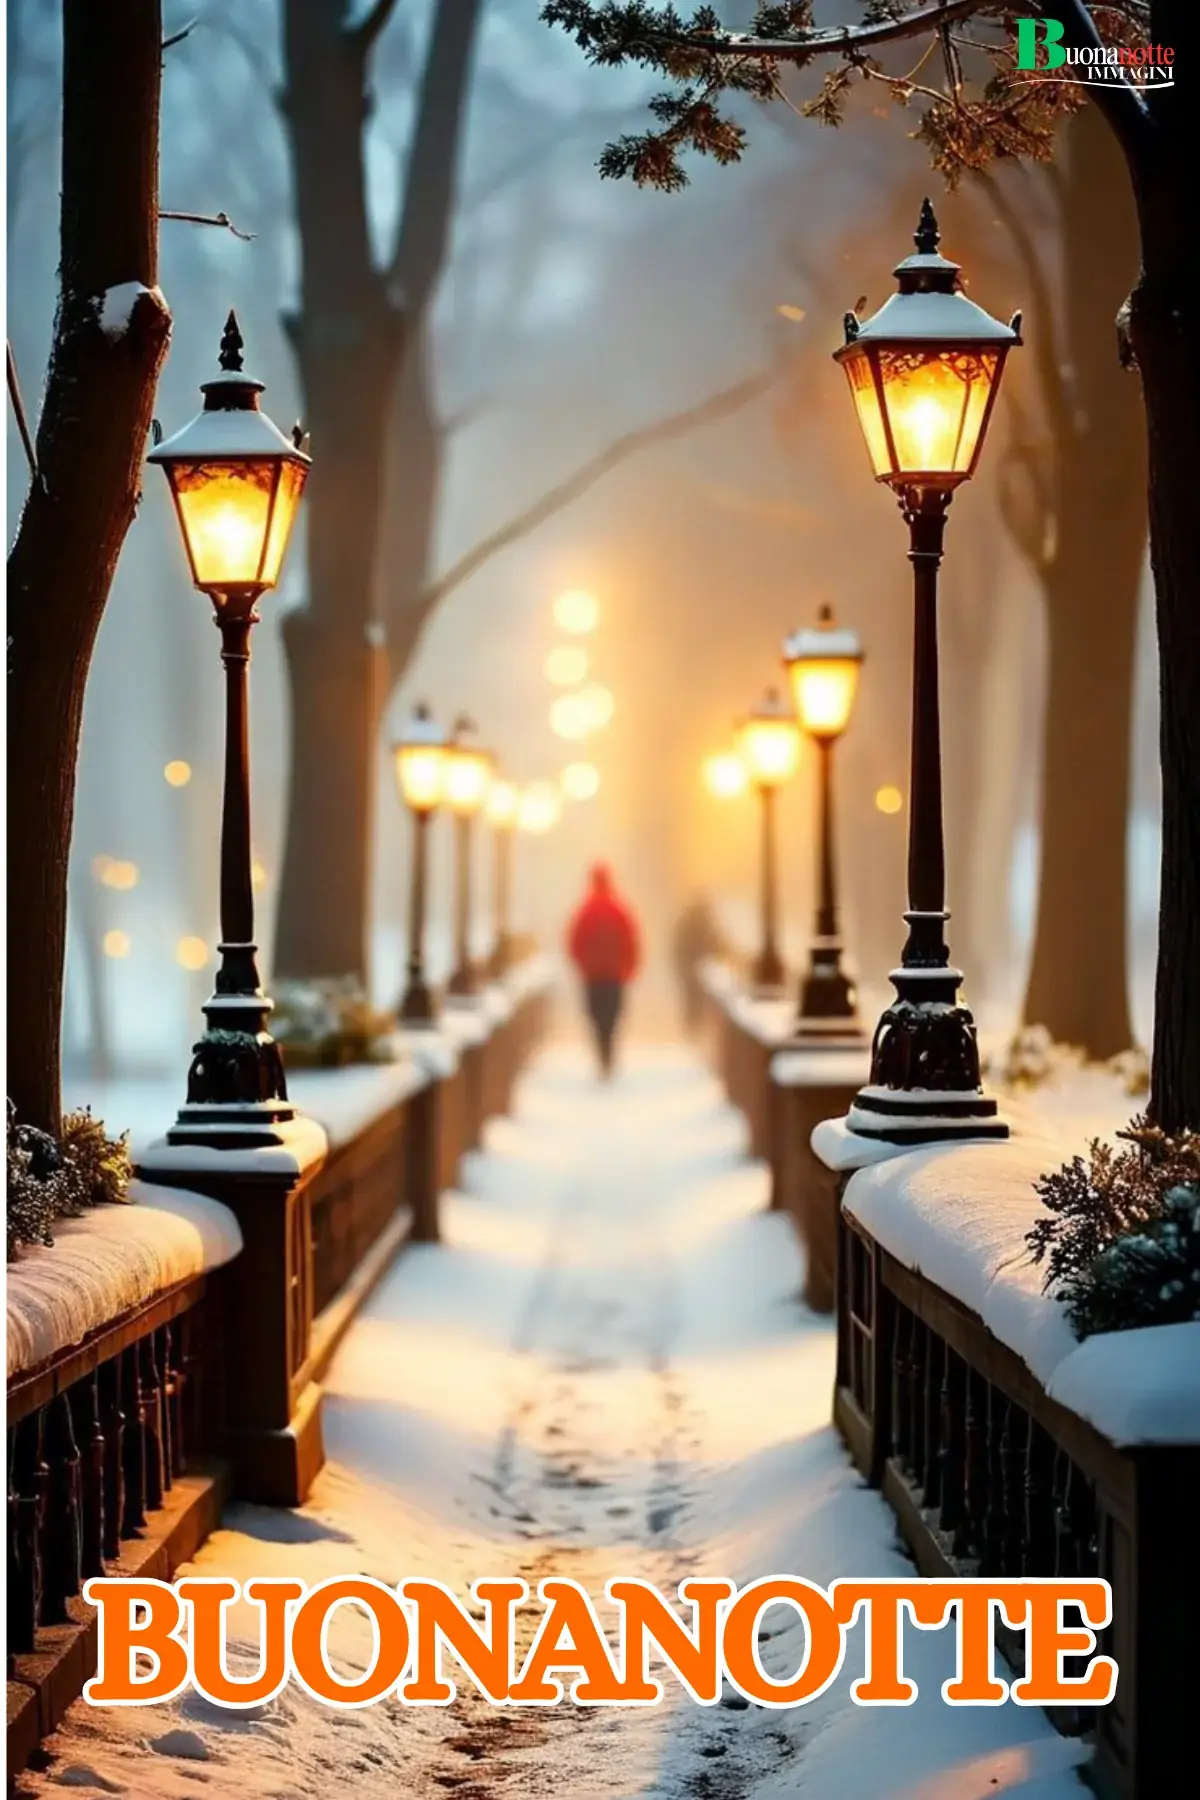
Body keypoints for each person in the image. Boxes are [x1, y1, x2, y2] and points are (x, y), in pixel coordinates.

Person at [566, 863, 641, 1078]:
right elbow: (631, 941)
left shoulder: (586, 910)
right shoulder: (619, 910)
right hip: (615, 977)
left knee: (596, 1017)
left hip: (593, 977)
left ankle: (602, 1055)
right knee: (612, 1017)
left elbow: (574, 942)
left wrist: (583, 965)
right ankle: (608, 1053)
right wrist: (629, 968)